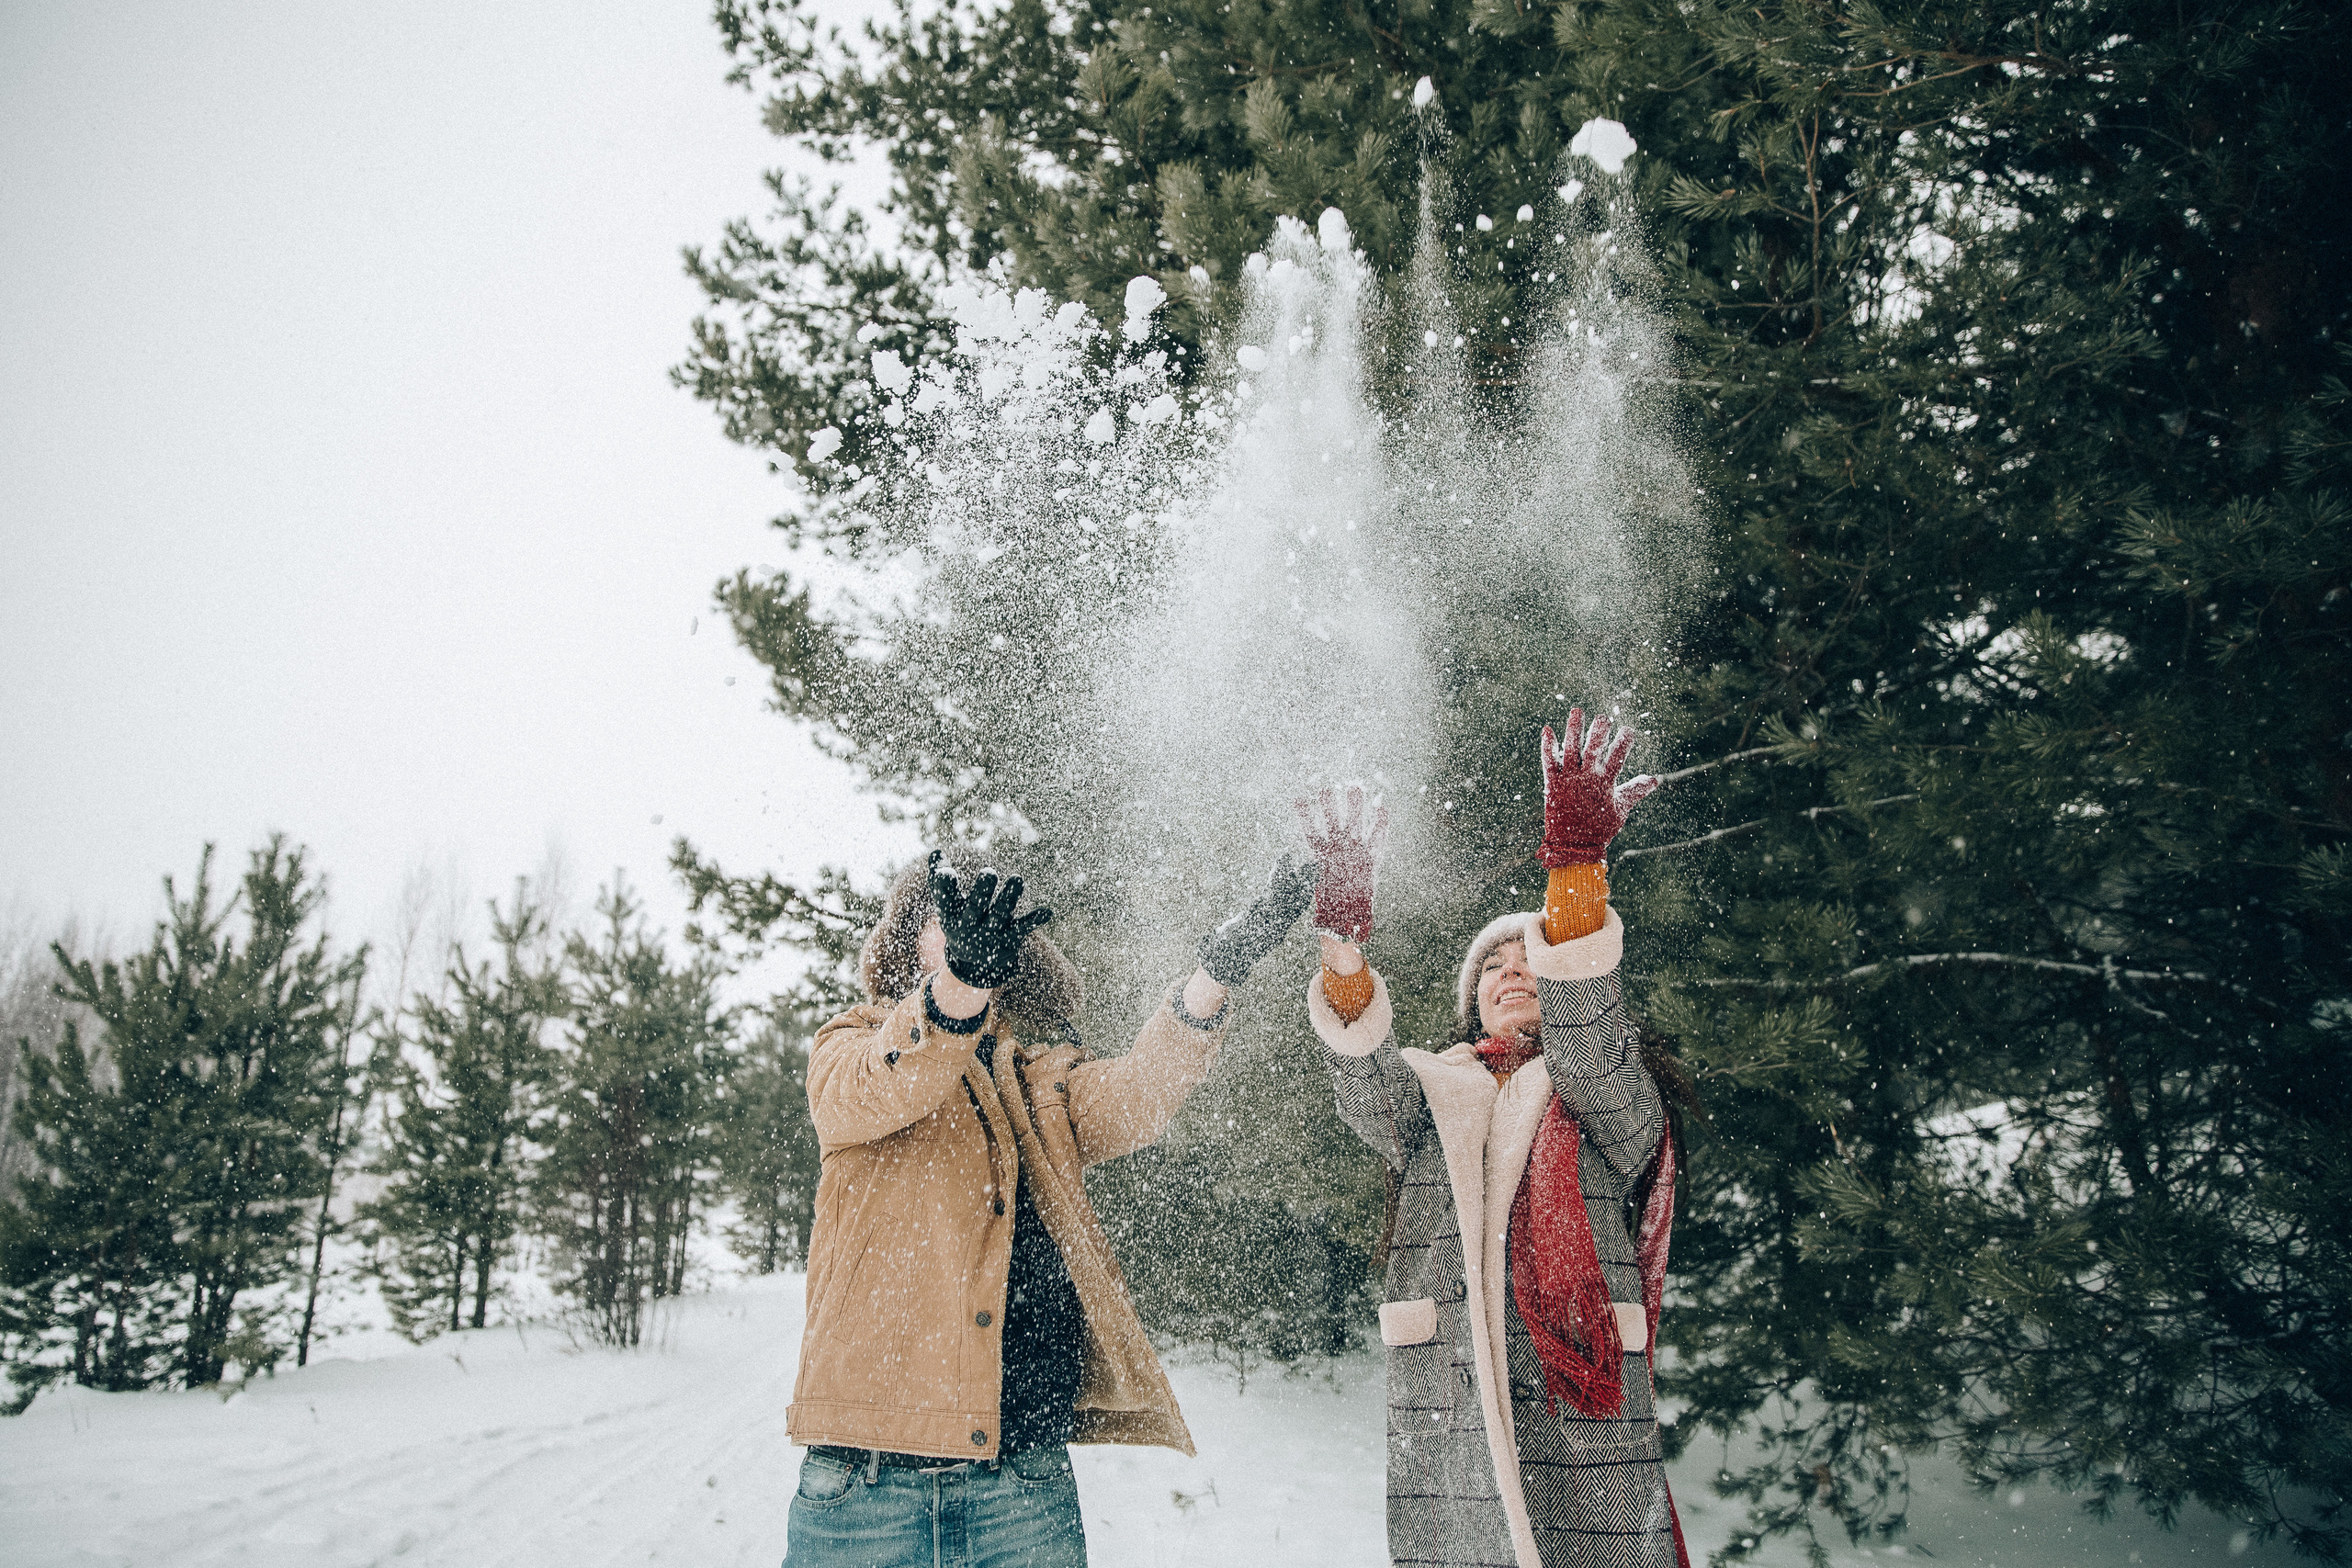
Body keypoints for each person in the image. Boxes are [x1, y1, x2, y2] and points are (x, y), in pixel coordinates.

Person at [783, 847, 1316, 1568]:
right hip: (865, 1487)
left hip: (1021, 1484)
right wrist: (956, 990)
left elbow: (1141, 1092)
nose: (970, 932)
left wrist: (1217, 970)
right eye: (948, 916)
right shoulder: (848, 1045)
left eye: (985, 918)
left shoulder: (1035, 1083)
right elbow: (894, 1077)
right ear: (909, 941)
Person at [1299, 710, 1695, 1568]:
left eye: (1529, 956)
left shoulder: (1608, 1088)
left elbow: (1588, 1038)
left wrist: (1576, 874)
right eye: (1491, 963)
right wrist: (1341, 943)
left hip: (1576, 1395)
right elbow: (1364, 1081)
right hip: (1448, 1396)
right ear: (1470, 996)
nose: (1510, 969)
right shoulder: (1432, 1094)